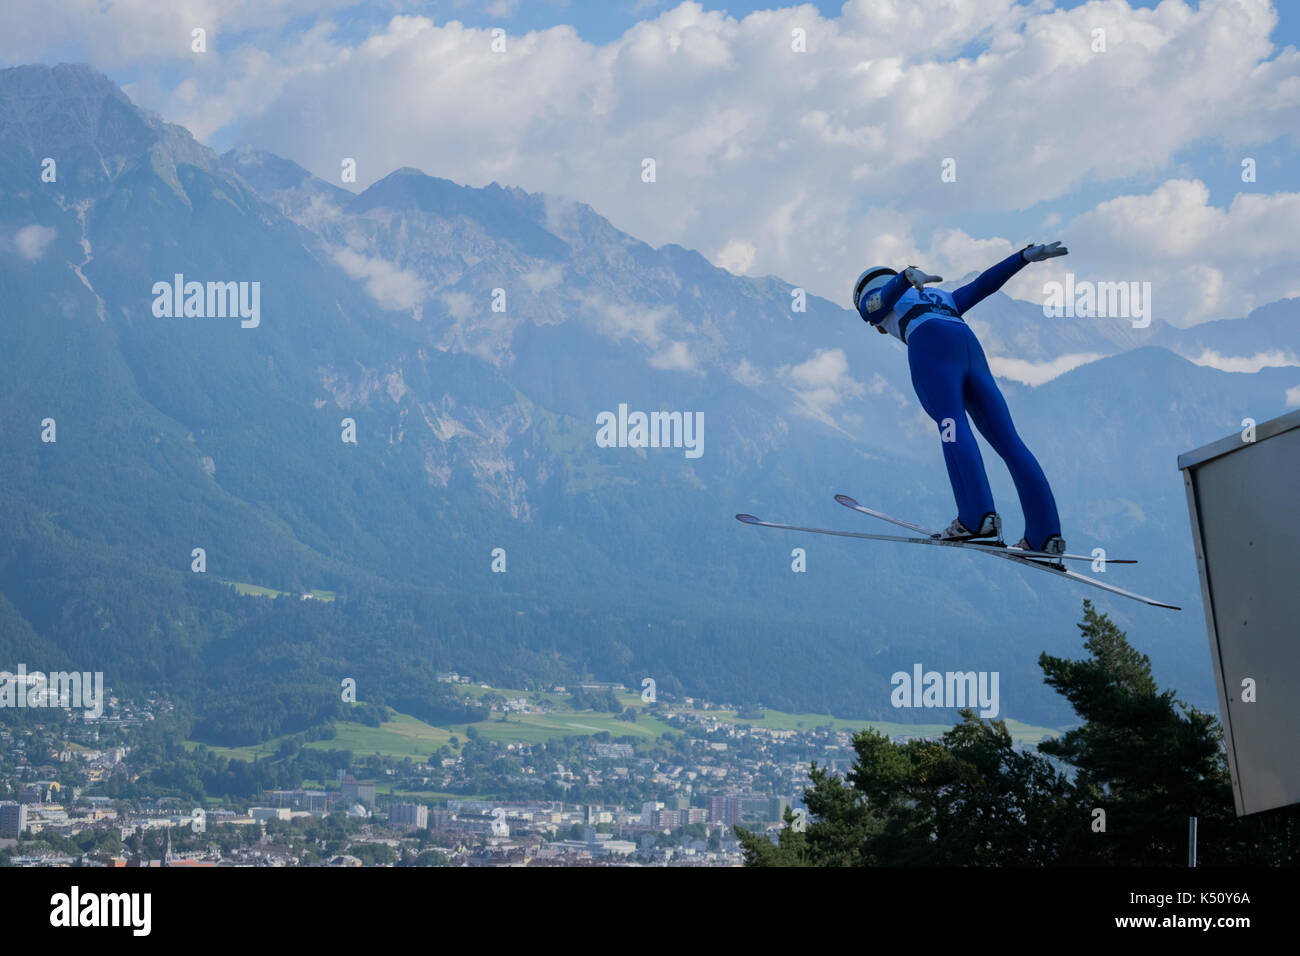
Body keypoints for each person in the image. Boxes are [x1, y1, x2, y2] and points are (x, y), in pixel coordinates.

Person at [851, 242, 1068, 557]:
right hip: (969, 347)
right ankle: (1046, 537)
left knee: (951, 427)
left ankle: (976, 519)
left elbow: (875, 305)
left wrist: (904, 277)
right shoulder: (942, 297)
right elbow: (983, 285)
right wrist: (1022, 258)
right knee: (1011, 443)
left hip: (932, 349)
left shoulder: (879, 299)